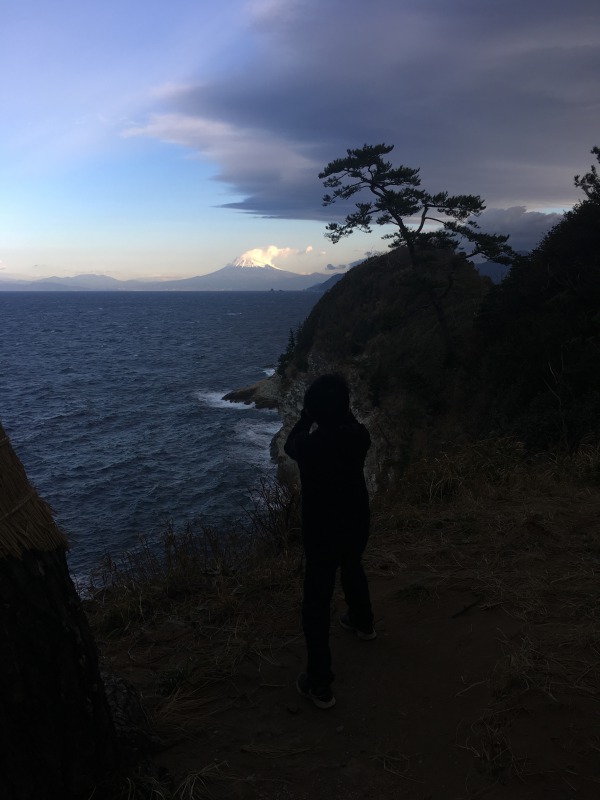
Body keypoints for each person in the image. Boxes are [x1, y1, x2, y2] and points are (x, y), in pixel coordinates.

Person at [284, 373, 375, 709]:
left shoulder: (310, 447)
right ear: (345, 408)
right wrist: (339, 411)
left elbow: (290, 443)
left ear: (314, 412)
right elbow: (348, 422)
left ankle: (320, 682)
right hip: (356, 522)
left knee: (317, 603)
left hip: (322, 532)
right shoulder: (358, 437)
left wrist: (305, 418)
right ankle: (363, 621)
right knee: (352, 565)